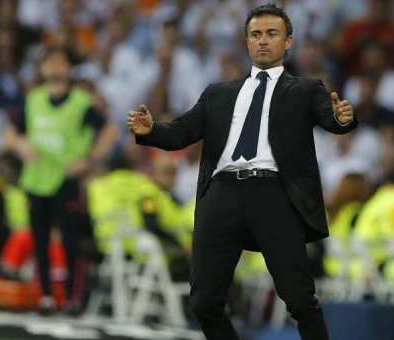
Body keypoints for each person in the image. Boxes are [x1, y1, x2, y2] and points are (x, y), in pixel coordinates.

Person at [127, 4, 356, 339]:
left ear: (288, 41)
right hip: (221, 193)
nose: (263, 40)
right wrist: (150, 130)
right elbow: (182, 131)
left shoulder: (306, 89)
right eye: (255, 34)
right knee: (204, 302)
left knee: (300, 300)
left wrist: (340, 119)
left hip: (275, 194)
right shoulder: (218, 92)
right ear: (247, 41)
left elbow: (330, 117)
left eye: (272, 34)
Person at [8, 47, 118, 314]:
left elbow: (111, 131)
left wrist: (89, 160)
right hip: (36, 180)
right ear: (42, 69)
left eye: (61, 62)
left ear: (70, 69)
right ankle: (45, 297)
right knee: (40, 240)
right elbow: (11, 135)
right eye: (50, 62)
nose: (56, 67)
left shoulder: (81, 102)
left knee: (69, 240)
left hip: (64, 181)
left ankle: (72, 298)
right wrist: (20, 145)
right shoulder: (33, 99)